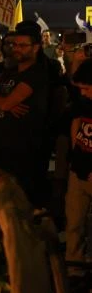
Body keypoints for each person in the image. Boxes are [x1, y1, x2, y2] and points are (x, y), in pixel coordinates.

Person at [0, 30, 48, 206]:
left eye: (22, 45)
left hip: (23, 150)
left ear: (35, 48)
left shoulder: (36, 74)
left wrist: (1, 102)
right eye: (14, 45)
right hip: (1, 148)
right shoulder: (8, 73)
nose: (16, 49)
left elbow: (0, 103)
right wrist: (4, 103)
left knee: (20, 203)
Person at [65, 59, 92, 263]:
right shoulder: (84, 102)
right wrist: (76, 150)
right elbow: (76, 120)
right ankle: (74, 264)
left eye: (86, 88)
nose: (83, 93)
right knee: (74, 221)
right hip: (78, 168)